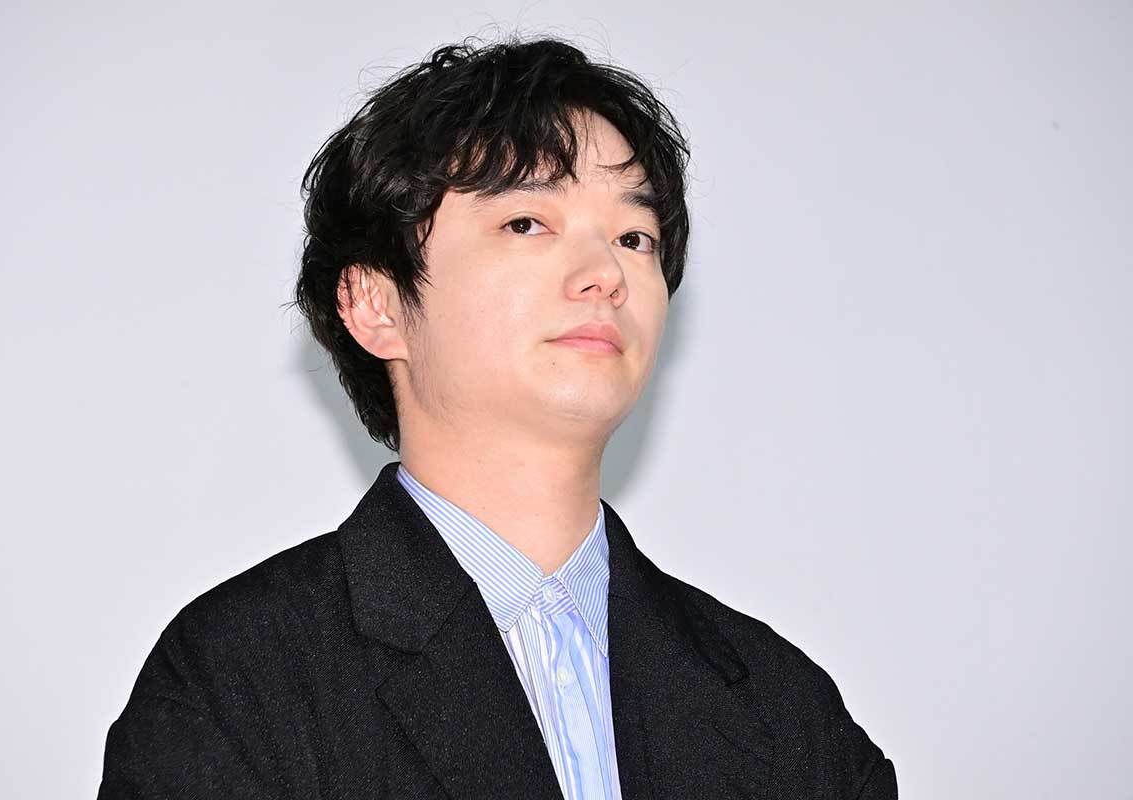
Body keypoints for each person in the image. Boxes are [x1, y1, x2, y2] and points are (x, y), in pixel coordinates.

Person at [98, 34, 897, 799]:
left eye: (635, 236)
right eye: (527, 223)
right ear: (376, 303)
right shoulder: (241, 677)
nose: (605, 274)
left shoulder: (784, 706)